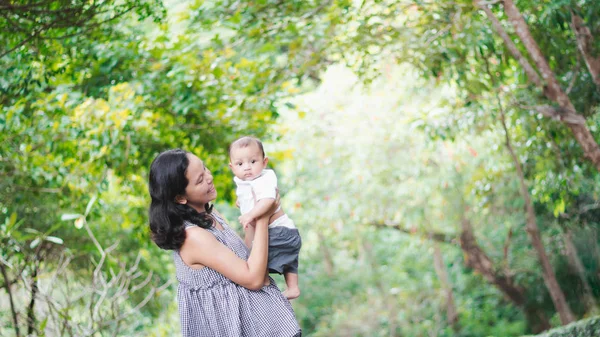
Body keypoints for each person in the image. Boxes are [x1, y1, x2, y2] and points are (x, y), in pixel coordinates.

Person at [148, 149, 301, 337]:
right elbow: (253, 279)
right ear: (180, 197)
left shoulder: (209, 216)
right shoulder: (193, 237)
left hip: (270, 324)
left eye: (204, 169)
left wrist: (253, 214)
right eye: (199, 180)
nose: (209, 178)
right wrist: (263, 218)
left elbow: (248, 257)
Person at [228, 136, 302, 300]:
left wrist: (250, 214)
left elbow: (269, 201)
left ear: (264, 162)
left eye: (253, 161)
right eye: (240, 164)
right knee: (288, 260)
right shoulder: (245, 182)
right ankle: (293, 287)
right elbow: (250, 198)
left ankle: (264, 283)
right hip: (286, 232)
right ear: (232, 167)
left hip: (279, 232)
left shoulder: (264, 179)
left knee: (257, 259)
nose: (247, 167)